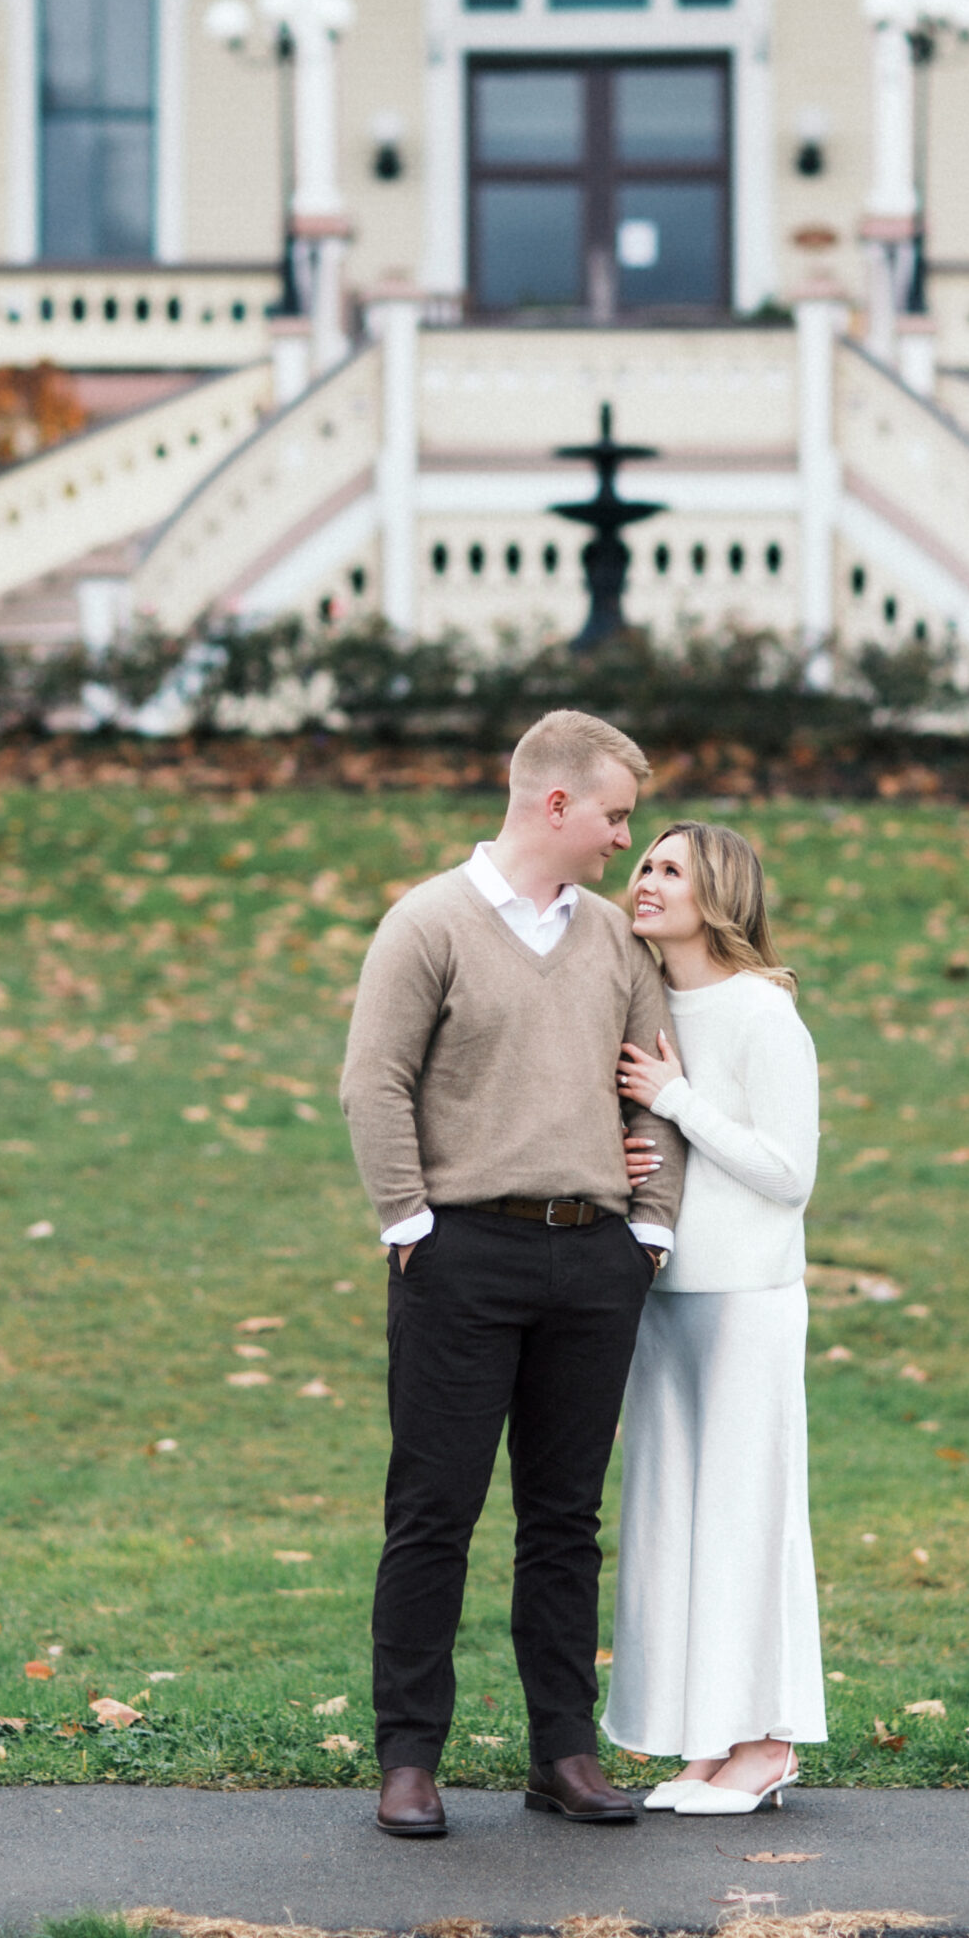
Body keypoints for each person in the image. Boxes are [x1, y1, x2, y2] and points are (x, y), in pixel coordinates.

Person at [340, 710, 687, 1840]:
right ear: (554, 804)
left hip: (595, 1259)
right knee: (433, 1510)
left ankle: (563, 1754)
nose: (619, 842)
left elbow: (653, 1090)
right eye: (614, 815)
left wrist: (650, 1232)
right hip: (461, 1256)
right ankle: (408, 1760)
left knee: (563, 1519)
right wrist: (408, 1222)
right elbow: (373, 1084)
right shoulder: (427, 924)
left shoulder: (613, 941)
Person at [605, 820, 825, 1816]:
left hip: (747, 1297)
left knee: (748, 1516)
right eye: (642, 862)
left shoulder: (760, 1014)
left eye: (668, 870)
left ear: (718, 894)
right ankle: (706, 1740)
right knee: (675, 1521)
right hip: (661, 1291)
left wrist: (679, 1102)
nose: (642, 880)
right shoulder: (639, 1001)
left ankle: (767, 1742)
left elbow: (789, 1174)